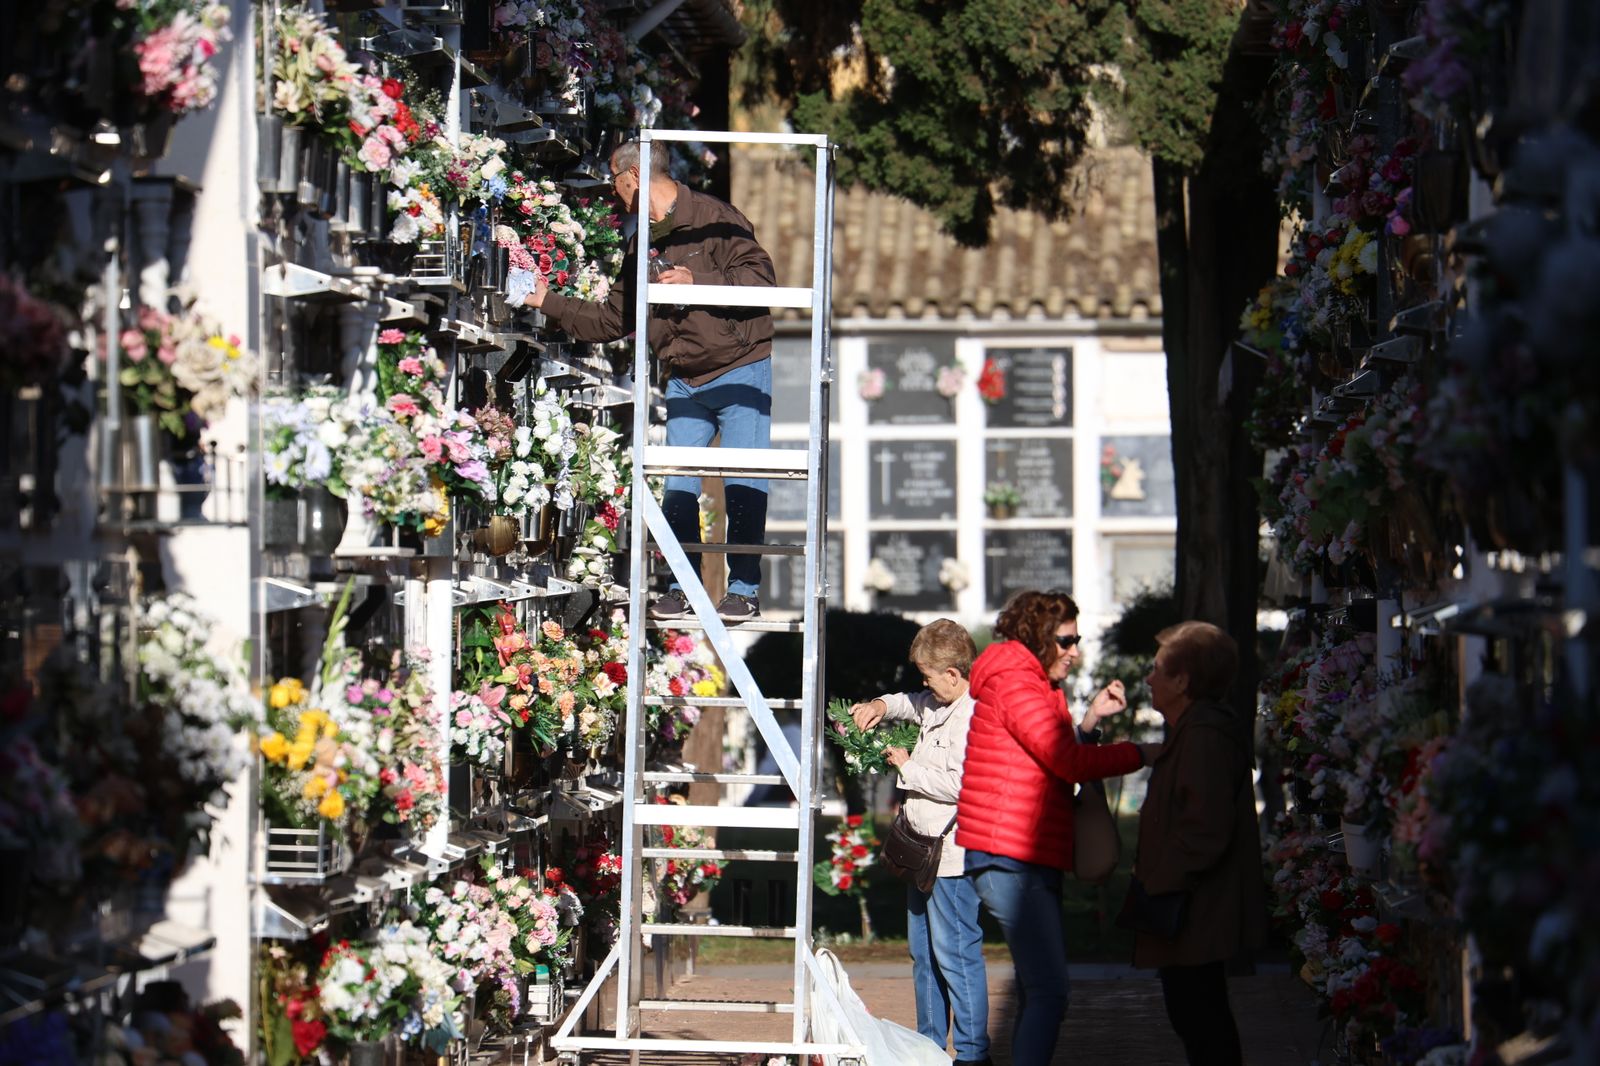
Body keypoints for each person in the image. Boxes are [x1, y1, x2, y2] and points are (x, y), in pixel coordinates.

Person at [514, 139, 777, 621]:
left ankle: (744, 590)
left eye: (614, 182)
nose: (614, 193)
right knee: (677, 485)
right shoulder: (642, 240)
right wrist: (545, 300)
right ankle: (684, 585)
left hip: (741, 369)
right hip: (685, 380)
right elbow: (614, 320)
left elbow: (763, 283)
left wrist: (698, 284)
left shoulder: (719, 219)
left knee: (743, 480)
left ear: (631, 176)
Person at [955, 590, 1159, 1066]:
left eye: (1077, 639)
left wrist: (1089, 724)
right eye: (1066, 641)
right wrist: (1141, 753)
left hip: (1025, 853)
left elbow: (1051, 753)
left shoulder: (1034, 684)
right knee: (1050, 991)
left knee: (1036, 989)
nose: (1075, 651)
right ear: (1041, 638)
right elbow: (1064, 761)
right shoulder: (1016, 683)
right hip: (1010, 856)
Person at [849, 619, 989, 1066]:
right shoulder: (936, 701)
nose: (922, 684)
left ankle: (972, 1053)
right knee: (923, 954)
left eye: (928, 675)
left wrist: (908, 767)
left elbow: (963, 783)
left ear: (953, 673)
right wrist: (878, 706)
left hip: (950, 857)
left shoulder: (974, 714)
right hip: (919, 849)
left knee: (956, 955)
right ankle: (927, 1047)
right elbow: (909, 703)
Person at [1128, 621, 1267, 1066]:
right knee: (1196, 1018)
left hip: (1193, 909)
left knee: (1201, 1020)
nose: (1149, 679)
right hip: (1190, 907)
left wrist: (1158, 883)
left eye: (1157, 670)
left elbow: (1204, 830)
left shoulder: (1204, 735)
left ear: (1183, 680)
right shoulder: (1196, 730)